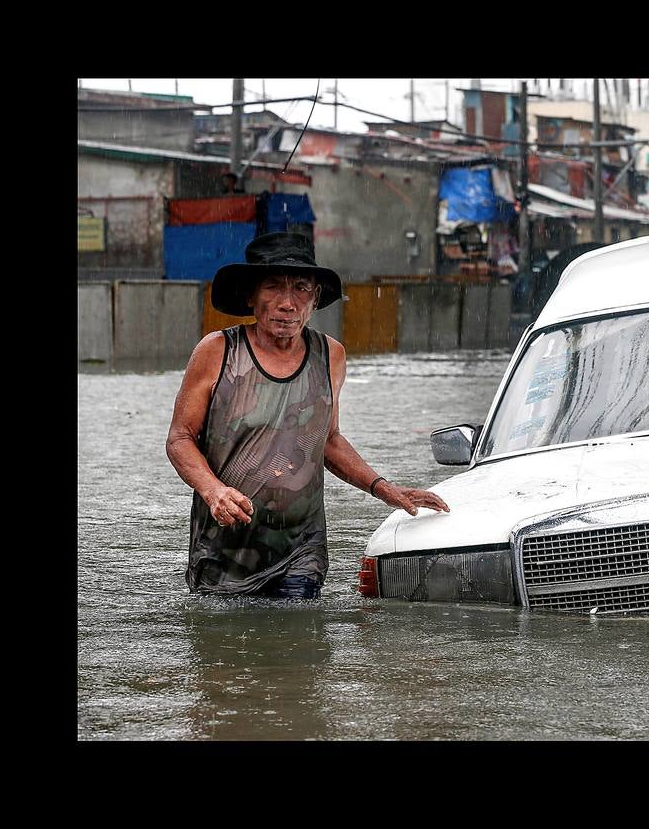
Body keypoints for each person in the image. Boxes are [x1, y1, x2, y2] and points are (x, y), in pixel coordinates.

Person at [165, 231, 449, 598]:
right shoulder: (218, 351)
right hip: (226, 549)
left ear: (315, 299)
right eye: (273, 288)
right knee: (229, 648)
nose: (288, 303)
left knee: (298, 643)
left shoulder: (330, 355)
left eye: (301, 288)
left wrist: (384, 489)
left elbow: (327, 440)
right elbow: (180, 438)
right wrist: (214, 491)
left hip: (301, 548)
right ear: (251, 296)